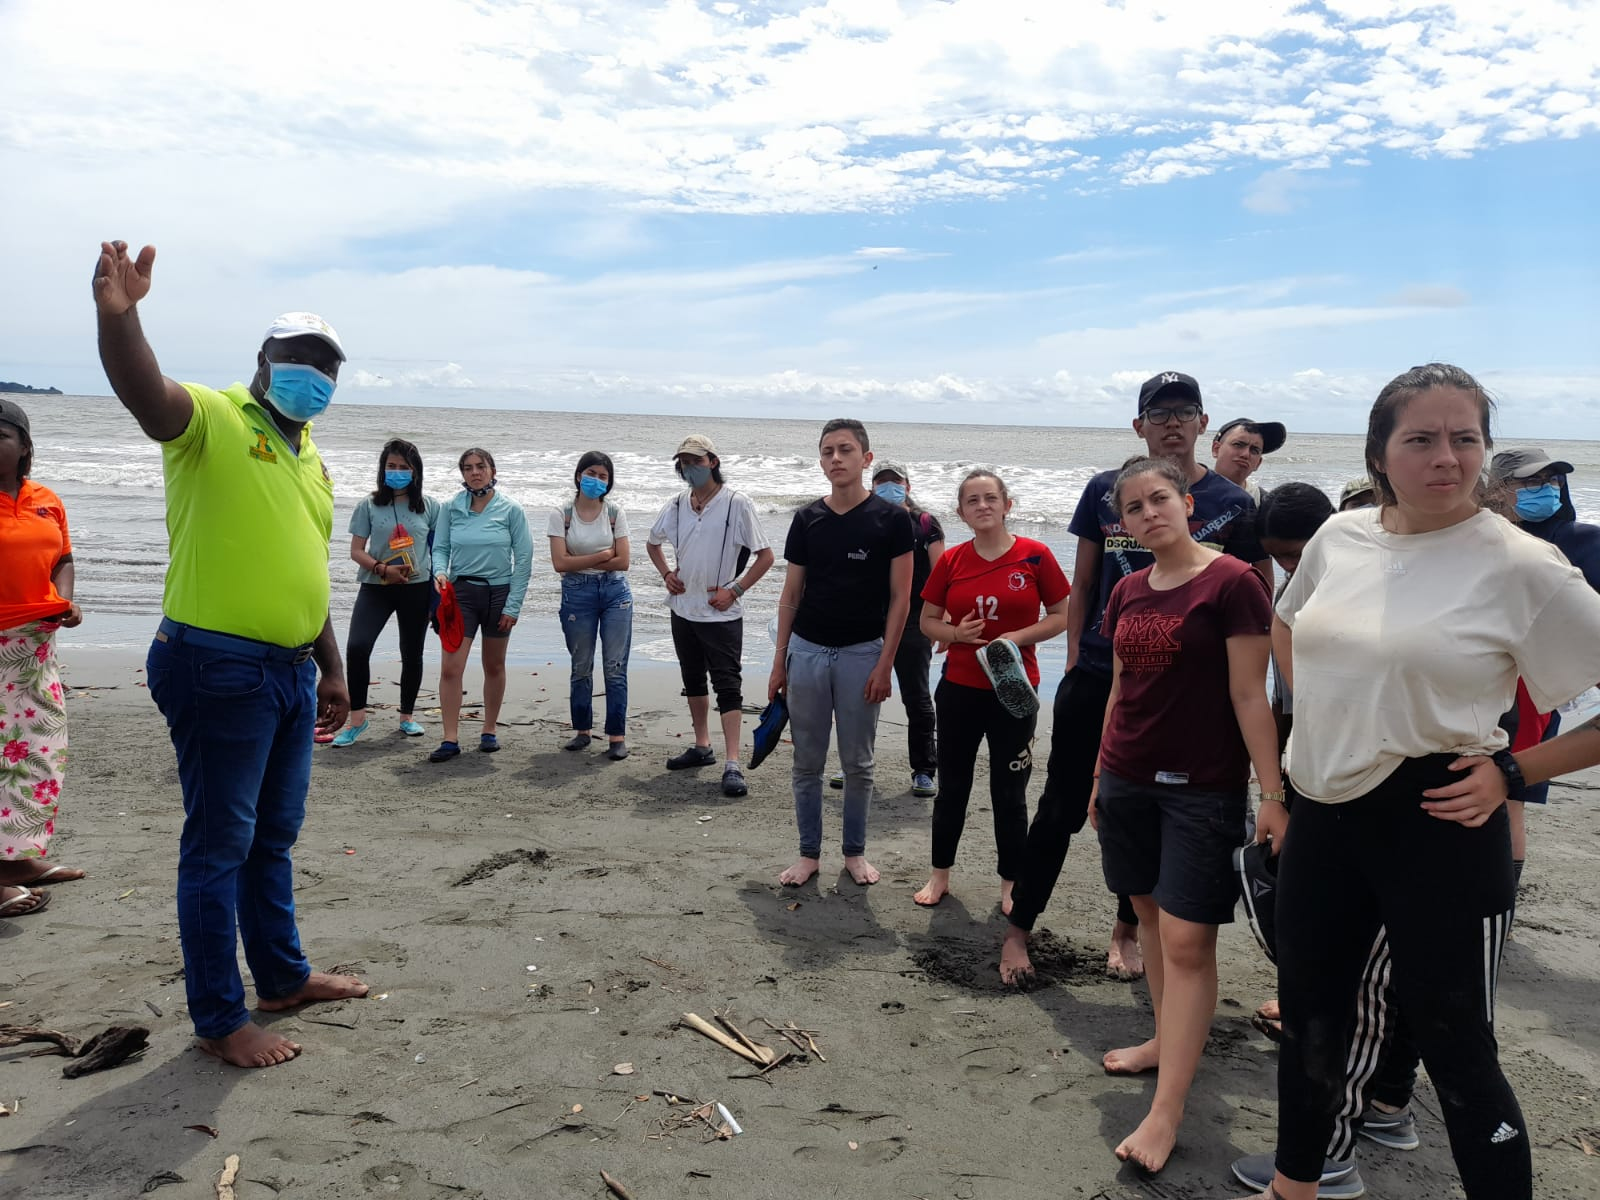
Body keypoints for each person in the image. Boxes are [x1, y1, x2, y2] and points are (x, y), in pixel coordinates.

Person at [1238, 363, 1600, 1200]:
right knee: (1312, 1018)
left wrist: (1514, 770)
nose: (1447, 457)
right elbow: (1290, 627)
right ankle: (1297, 1187)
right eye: (1422, 439)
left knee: (1457, 1043)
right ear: (1379, 453)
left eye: (1465, 438)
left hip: (1437, 819)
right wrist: (1312, 741)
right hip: (1324, 814)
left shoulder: (1522, 565)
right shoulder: (1340, 538)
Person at [94, 240, 366, 1068]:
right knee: (219, 843)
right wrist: (121, 319)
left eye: (325, 366)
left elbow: (306, 566)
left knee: (272, 837)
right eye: (297, 359)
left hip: (289, 671)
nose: (311, 375)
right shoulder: (214, 416)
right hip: (216, 664)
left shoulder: (311, 456)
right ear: (263, 361)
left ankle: (281, 977)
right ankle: (220, 1017)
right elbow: (149, 396)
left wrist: (333, 666)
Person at [1002, 371, 1269, 986]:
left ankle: (1127, 931)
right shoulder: (1105, 491)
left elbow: (1257, 591)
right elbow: (1084, 584)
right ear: (1139, 424)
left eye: (1185, 411)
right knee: (1062, 807)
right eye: (1159, 411)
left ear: (1204, 423)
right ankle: (1019, 926)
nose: (1172, 421)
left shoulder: (1232, 502)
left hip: (1183, 694)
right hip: (1100, 671)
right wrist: (1073, 657)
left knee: (1146, 814)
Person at [1083, 456, 1279, 1174]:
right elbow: (1122, 689)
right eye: (1133, 508)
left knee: (1191, 942)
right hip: (1128, 777)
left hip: (1202, 788)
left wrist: (1272, 793)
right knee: (1151, 919)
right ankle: (1165, 1040)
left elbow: (1250, 696)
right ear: (1124, 524)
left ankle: (1167, 1111)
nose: (1148, 514)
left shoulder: (1234, 582)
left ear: (1187, 503)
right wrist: (1101, 774)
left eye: (1159, 499)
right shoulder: (1130, 589)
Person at [911, 469, 1068, 912]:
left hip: (1015, 690)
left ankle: (1010, 883)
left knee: (1009, 792)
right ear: (961, 512)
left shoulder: (1035, 556)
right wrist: (956, 634)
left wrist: (1017, 638)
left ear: (1007, 505)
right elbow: (927, 622)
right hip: (960, 689)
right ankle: (940, 875)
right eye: (972, 501)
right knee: (953, 787)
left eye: (990, 498)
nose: (982, 506)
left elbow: (1061, 616)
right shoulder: (951, 560)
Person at [770, 419, 913, 887]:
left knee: (858, 763)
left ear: (866, 459)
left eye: (846, 450)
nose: (836, 458)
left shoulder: (892, 521)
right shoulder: (807, 518)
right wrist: (780, 659)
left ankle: (854, 854)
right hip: (807, 651)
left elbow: (901, 599)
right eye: (828, 451)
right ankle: (808, 854)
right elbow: (791, 592)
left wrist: (885, 664)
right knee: (806, 761)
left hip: (861, 654)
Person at [646, 434, 774, 797]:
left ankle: (733, 762)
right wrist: (666, 574)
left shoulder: (737, 504)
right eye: (684, 463)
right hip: (683, 609)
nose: (690, 468)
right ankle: (702, 745)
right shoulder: (675, 505)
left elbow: (765, 556)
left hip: (721, 614)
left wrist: (734, 589)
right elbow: (652, 542)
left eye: (697, 461)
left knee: (727, 684)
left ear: (713, 462)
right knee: (692, 678)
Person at [0, 397, 86, 918]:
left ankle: (19, 858)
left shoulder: (47, 500)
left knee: (40, 752)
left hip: (36, 645)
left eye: (0, 435)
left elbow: (64, 558)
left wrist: (65, 598)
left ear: (24, 445)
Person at [332, 439, 440, 746]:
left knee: (412, 654)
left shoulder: (431, 506)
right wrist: (382, 569)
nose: (396, 472)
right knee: (357, 647)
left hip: (416, 589)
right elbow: (356, 550)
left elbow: (440, 549)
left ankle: (407, 717)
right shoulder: (369, 505)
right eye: (391, 466)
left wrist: (438, 592)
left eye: (403, 467)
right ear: (382, 470)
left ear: (415, 471)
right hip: (376, 586)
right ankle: (357, 721)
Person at [429, 448, 533, 762]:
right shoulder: (450, 508)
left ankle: (489, 730)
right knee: (451, 668)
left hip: (498, 594)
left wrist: (512, 606)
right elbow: (440, 547)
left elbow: (524, 560)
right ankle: (450, 738)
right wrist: (440, 572)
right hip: (461, 594)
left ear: (492, 470)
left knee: (494, 665)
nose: (475, 472)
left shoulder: (511, 509)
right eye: (468, 468)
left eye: (481, 466)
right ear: (462, 473)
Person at [860, 461, 943, 797]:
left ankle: (924, 770)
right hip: (868, 623)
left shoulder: (924, 522)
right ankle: (854, 762)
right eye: (881, 482)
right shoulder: (865, 517)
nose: (888, 487)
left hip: (914, 623)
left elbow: (942, 573)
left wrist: (942, 620)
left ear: (907, 485)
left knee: (917, 698)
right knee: (860, 697)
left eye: (895, 482)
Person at [550, 451, 633, 760]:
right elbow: (560, 563)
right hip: (577, 593)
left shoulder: (614, 512)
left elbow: (623, 561)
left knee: (614, 666)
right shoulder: (562, 514)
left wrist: (581, 561)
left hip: (615, 593)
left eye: (603, 476)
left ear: (609, 482)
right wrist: (600, 557)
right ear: (578, 475)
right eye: (591, 473)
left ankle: (616, 736)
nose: (596, 480)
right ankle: (582, 731)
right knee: (581, 666)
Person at [1211, 417, 1286, 503]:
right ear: (1216, 449)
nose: (1246, 454)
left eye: (1254, 450)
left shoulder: (1263, 503)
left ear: (1258, 463)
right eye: (1238, 445)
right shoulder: (1194, 490)